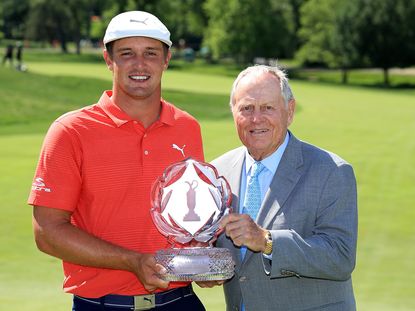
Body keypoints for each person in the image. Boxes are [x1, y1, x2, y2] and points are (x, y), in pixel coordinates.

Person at [28, 11, 205, 311]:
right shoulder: (70, 131)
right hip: (102, 305)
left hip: (181, 301)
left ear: (166, 59)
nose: (139, 64)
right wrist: (132, 262)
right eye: (127, 54)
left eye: (150, 53)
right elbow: (47, 232)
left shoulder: (187, 127)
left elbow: (193, 218)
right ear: (109, 60)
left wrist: (204, 258)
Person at [209, 65, 358, 310]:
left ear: (289, 111)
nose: (256, 119)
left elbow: (340, 257)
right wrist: (208, 267)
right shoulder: (217, 172)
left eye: (268, 107)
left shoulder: (331, 171)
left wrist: (267, 241)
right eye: (247, 108)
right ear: (233, 112)